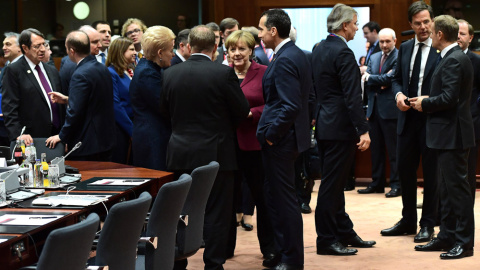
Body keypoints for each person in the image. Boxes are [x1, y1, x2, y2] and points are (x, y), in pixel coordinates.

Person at [160, 25, 249, 270]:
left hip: (180, 152)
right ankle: (213, 264)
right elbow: (242, 111)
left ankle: (179, 263)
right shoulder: (222, 74)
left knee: (181, 210)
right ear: (215, 47)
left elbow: (165, 112)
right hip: (217, 153)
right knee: (217, 212)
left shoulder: (169, 74)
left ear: (189, 46)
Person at [312, 3, 375, 257]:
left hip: (325, 125)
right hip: (340, 129)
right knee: (331, 187)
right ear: (345, 25)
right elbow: (352, 96)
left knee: (334, 184)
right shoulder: (344, 52)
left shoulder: (319, 49)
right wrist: (363, 129)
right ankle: (326, 239)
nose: (358, 28)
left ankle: (344, 232)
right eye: (356, 23)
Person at [410, 14, 474, 260]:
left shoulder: (454, 60)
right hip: (445, 133)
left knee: (458, 191)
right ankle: (446, 236)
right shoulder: (449, 56)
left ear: (440, 34)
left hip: (453, 134)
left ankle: (464, 243)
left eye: (432, 29)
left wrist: (423, 104)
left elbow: (449, 99)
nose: (428, 32)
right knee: (446, 192)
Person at [256, 9, 312, 270]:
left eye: (261, 29)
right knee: (277, 199)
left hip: (281, 141)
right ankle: (282, 253)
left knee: (285, 202)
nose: (259, 34)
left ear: (273, 31)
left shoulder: (287, 58)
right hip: (287, 139)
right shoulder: (292, 54)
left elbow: (290, 106)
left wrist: (270, 135)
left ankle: (291, 259)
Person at [381, 1, 440, 243]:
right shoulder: (405, 48)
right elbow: (396, 79)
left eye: (427, 22)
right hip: (406, 119)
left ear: (433, 21)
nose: (423, 27)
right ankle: (407, 221)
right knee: (404, 172)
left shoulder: (440, 49)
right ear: (410, 25)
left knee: (431, 176)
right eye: (418, 23)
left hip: (431, 120)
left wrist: (428, 101)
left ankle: (427, 224)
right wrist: (398, 95)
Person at [224, 29, 276, 261]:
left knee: (262, 199)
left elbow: (274, 105)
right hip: (226, 146)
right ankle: (224, 250)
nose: (236, 53)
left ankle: (269, 248)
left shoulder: (264, 73)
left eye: (241, 49)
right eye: (232, 49)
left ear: (251, 50)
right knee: (227, 200)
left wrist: (251, 113)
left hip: (255, 145)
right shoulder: (220, 74)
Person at [46, 30, 115, 161]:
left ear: (72, 50)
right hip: (106, 138)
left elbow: (75, 112)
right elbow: (95, 100)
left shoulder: (79, 75)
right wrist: (67, 99)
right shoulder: (102, 68)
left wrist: (62, 136)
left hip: (88, 143)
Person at [358, 28, 400, 197]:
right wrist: (375, 80)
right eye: (382, 41)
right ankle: (377, 183)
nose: (384, 45)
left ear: (395, 41)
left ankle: (397, 185)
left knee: (394, 150)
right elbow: (371, 83)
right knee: (375, 150)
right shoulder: (374, 57)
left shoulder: (399, 57)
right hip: (374, 109)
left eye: (387, 41)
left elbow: (389, 79)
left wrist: (370, 77)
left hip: (391, 111)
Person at [2, 28, 63, 145]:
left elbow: (59, 105)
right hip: (30, 138)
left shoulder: (51, 70)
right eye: (37, 46)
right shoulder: (14, 70)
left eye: (44, 44)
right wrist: (18, 133)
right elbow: (9, 107)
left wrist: (64, 135)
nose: (42, 49)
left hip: (56, 136)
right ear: (25, 48)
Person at [129, 26, 175, 170]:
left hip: (154, 135)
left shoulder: (150, 69)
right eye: (171, 50)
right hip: (152, 139)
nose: (173, 54)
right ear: (160, 53)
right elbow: (164, 107)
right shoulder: (147, 73)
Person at [457, 19, 480, 201]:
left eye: (462, 33)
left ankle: (465, 218)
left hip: (470, 124)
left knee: (467, 172)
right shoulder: (440, 56)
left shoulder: (476, 61)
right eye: (455, 32)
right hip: (445, 125)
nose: (458, 36)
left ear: (470, 38)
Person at [105, 37, 136, 164]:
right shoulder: (111, 73)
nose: (135, 52)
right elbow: (115, 105)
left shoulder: (128, 71)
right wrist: (131, 130)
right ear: (120, 52)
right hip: (119, 129)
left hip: (131, 124)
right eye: (131, 50)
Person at [59, 25, 102, 95]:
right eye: (95, 42)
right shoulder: (75, 64)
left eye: (99, 41)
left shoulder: (89, 61)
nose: (100, 45)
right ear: (83, 42)